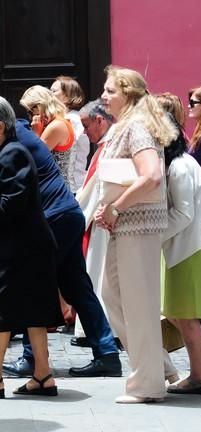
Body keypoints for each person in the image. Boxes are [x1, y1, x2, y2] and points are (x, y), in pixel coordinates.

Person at [3, 111, 122, 380]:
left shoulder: (13, 144)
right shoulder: (21, 134)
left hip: (52, 218)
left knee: (31, 285)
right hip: (68, 213)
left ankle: (32, 359)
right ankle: (106, 354)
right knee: (77, 286)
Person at [96, 65, 177, 403]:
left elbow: (152, 177)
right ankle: (158, 365)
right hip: (127, 226)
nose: (103, 96)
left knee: (139, 304)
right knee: (111, 293)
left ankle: (148, 384)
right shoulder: (126, 126)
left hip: (136, 225)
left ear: (127, 94)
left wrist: (117, 206)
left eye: (110, 90)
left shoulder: (138, 128)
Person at [159, 114, 201, 395]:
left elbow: (183, 214)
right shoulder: (178, 164)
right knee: (176, 311)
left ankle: (199, 375)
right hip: (186, 246)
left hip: (193, 246)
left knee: (184, 314)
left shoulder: (179, 167)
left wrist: (153, 237)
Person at [0, 96, 63, 398]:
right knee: (33, 312)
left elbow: (11, 203)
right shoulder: (8, 151)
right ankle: (43, 376)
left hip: (22, 248)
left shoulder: (12, 154)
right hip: (25, 247)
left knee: (3, 314)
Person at [71, 99, 116, 347]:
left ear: (100, 120)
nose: (85, 132)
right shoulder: (103, 146)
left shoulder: (111, 147)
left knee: (103, 278)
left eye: (87, 125)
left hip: (105, 221)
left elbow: (100, 189)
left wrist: (79, 211)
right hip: (97, 220)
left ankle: (106, 333)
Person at [19, 85, 76, 189]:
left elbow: (34, 159)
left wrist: (35, 134)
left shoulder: (56, 126)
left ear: (39, 106)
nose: (29, 116)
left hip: (56, 192)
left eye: (30, 111)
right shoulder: (57, 122)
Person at [51, 75, 90, 192]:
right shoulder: (62, 118)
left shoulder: (72, 119)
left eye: (54, 91)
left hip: (72, 185)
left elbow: (71, 152)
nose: (49, 94)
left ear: (67, 97)